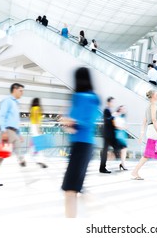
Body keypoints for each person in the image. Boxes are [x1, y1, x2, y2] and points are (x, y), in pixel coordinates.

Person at [61, 67, 101, 218]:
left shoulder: (80, 97)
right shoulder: (93, 98)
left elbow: (76, 122)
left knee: (70, 190)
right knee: (74, 187)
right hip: (85, 145)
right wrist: (70, 123)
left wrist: (67, 120)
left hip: (80, 146)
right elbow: (80, 124)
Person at [0, 83, 26, 186]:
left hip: (13, 131)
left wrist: (19, 133)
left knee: (3, 156)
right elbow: (2, 116)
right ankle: (21, 159)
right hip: (7, 132)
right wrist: (3, 131)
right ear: (15, 90)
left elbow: (16, 120)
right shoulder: (7, 101)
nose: (22, 93)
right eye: (21, 90)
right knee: (2, 156)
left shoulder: (16, 103)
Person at [131, 90, 157, 180]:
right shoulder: (153, 105)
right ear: (153, 96)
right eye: (156, 94)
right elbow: (154, 120)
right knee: (148, 155)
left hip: (151, 130)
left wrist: (142, 135)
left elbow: (144, 122)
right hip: (154, 130)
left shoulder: (148, 107)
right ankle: (135, 172)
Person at [99, 97, 118, 173]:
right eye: (112, 102)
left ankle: (104, 164)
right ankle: (102, 168)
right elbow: (107, 121)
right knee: (106, 150)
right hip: (107, 134)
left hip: (110, 134)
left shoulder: (110, 110)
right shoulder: (106, 110)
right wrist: (113, 116)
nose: (114, 103)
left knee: (116, 147)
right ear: (109, 102)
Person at [29, 98, 48, 168]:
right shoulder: (37, 109)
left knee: (36, 145)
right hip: (36, 127)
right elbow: (37, 120)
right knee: (40, 145)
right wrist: (39, 129)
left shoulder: (32, 109)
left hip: (32, 127)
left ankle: (35, 158)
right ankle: (41, 161)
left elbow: (33, 120)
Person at [114, 105, 128, 171]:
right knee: (122, 149)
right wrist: (122, 127)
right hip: (117, 134)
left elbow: (124, 125)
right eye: (122, 108)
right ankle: (122, 164)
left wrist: (124, 127)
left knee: (124, 149)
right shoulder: (115, 115)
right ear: (119, 109)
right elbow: (115, 125)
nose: (124, 110)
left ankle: (122, 164)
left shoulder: (122, 116)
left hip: (122, 134)